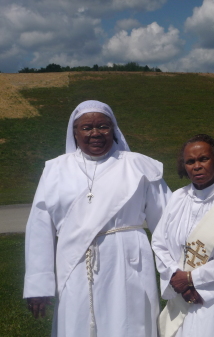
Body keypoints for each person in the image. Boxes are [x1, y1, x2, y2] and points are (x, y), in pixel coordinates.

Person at [23, 100, 171, 337]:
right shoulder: (55, 170)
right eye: (86, 127)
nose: (95, 134)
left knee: (129, 323)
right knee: (77, 322)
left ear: (114, 129)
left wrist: (178, 271)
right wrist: (38, 285)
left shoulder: (138, 166)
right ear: (74, 131)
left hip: (128, 262)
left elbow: (168, 222)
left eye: (103, 126)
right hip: (75, 263)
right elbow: (40, 229)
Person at [152, 134, 214, 337]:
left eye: (203, 159)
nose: (196, 166)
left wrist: (191, 278)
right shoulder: (177, 198)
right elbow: (159, 243)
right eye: (190, 161)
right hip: (182, 297)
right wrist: (176, 277)